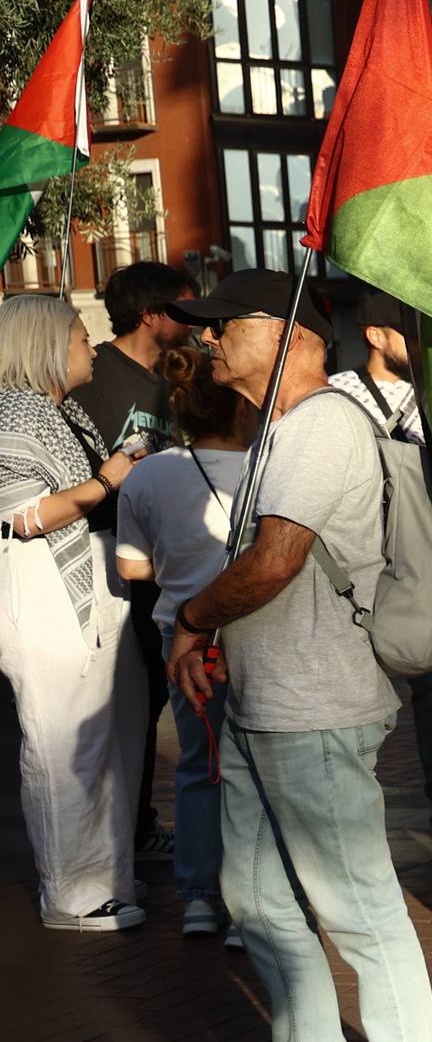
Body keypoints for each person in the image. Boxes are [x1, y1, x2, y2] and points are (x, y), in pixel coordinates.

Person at [162, 270, 432, 1042]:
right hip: (266, 702)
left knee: (355, 899)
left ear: (293, 336)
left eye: (226, 327)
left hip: (317, 705)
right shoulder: (280, 429)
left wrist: (190, 619)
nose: (210, 341)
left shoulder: (324, 425)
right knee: (254, 896)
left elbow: (275, 562)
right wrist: (219, 640)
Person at [0, 296, 147, 930]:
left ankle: (107, 877)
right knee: (63, 740)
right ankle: (70, 894)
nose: (92, 347)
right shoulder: (12, 416)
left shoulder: (67, 414)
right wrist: (111, 478)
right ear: (45, 347)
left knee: (116, 733)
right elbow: (20, 517)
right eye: (81, 338)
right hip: (44, 588)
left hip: (97, 581)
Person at [329, 290, 432, 832]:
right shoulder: (336, 396)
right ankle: (353, 788)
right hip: (355, 564)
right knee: (353, 684)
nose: (419, 345)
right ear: (375, 336)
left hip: (423, 559)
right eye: (407, 333)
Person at [114, 348, 255, 940]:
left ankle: (198, 897)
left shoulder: (147, 474)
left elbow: (131, 568)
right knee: (255, 771)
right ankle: (251, 907)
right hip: (256, 631)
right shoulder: (266, 464)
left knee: (200, 767)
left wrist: (181, 565)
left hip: (183, 636)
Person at [76, 260, 193, 863]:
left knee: (149, 702)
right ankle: (111, 836)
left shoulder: (182, 378)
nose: (195, 322)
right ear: (152, 315)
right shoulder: (92, 376)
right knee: (114, 705)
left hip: (162, 568)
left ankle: (139, 825)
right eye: (184, 309)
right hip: (103, 565)